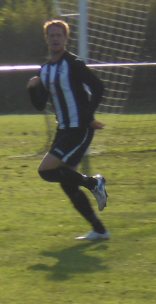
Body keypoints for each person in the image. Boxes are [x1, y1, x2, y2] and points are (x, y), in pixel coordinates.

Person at [27, 19, 109, 241]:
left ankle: (94, 183)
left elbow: (98, 87)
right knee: (67, 183)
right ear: (47, 39)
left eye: (59, 35)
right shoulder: (45, 70)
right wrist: (32, 88)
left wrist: (89, 116)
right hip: (63, 130)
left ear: (65, 39)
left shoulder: (73, 63)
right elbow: (40, 104)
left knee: (45, 171)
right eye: (51, 35)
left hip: (79, 128)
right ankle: (99, 230)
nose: (55, 39)